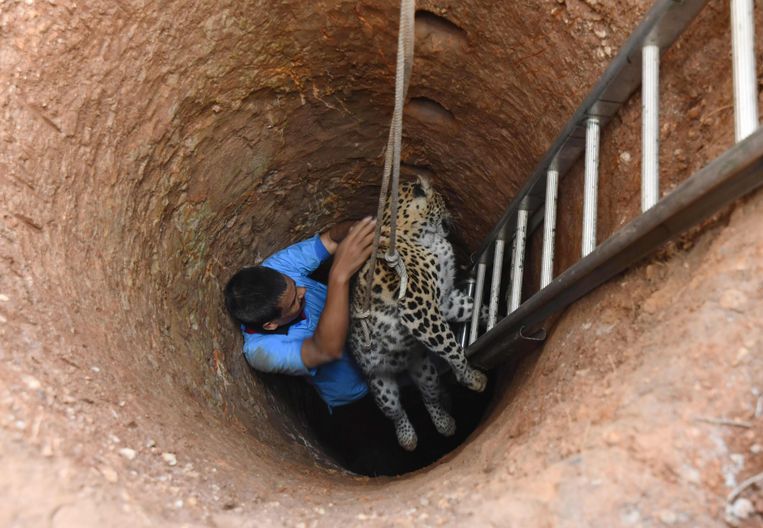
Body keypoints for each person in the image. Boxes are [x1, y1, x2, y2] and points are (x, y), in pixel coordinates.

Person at [223, 217, 377, 410]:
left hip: (378, 347)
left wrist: (358, 229)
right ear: (271, 324)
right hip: (357, 389)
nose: (303, 291)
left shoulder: (276, 269)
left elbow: (330, 239)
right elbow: (326, 350)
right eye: (294, 300)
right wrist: (339, 277)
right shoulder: (262, 351)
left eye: (295, 285)